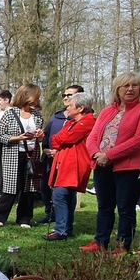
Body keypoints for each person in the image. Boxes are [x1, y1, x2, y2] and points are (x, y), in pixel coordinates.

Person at [81, 73, 140, 253]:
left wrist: (110, 155)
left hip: (128, 167)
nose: (130, 89)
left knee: (125, 208)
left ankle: (122, 246)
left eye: (135, 85)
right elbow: (92, 137)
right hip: (102, 165)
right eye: (126, 86)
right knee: (104, 206)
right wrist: (96, 154)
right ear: (117, 89)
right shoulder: (107, 111)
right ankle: (100, 242)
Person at [0, 84, 44, 228]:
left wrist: (40, 136)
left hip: (31, 155)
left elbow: (40, 135)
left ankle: (24, 218)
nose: (36, 100)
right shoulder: (10, 114)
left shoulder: (37, 115)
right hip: (13, 154)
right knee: (11, 187)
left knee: (29, 188)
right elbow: (0, 136)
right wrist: (18, 138)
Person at [44, 92, 96, 241]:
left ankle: (61, 230)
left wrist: (59, 139)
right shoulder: (72, 122)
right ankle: (66, 229)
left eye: (71, 105)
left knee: (60, 194)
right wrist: (59, 139)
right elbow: (55, 140)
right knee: (66, 194)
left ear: (80, 108)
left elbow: (65, 138)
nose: (67, 108)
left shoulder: (88, 122)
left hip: (75, 163)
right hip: (66, 162)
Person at [39, 85, 84, 226]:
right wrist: (45, 148)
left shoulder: (81, 118)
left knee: (65, 192)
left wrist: (58, 151)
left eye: (69, 95)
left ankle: (64, 222)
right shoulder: (56, 116)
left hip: (66, 160)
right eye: (64, 95)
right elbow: (47, 134)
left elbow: (71, 139)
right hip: (49, 158)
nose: (65, 98)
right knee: (45, 187)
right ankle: (50, 214)